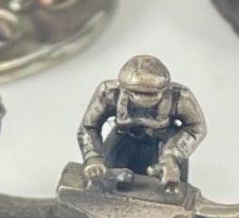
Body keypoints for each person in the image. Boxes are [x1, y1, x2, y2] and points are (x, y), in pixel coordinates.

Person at [77, 56, 207, 186]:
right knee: (104, 181)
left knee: (170, 186)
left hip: (165, 144)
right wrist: (93, 157)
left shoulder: (180, 97)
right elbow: (89, 126)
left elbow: (196, 128)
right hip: (123, 141)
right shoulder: (109, 93)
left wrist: (172, 155)